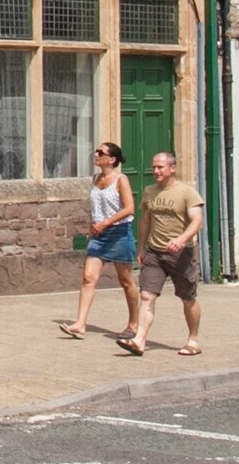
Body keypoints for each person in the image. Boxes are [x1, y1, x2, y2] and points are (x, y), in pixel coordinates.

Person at [118, 150, 203, 356]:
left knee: (187, 297)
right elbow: (146, 220)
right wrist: (142, 247)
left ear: (172, 168)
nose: (155, 171)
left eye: (160, 167)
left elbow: (197, 221)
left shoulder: (186, 192)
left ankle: (193, 340)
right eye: (154, 167)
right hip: (154, 253)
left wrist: (181, 240)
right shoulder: (149, 191)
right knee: (146, 294)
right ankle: (139, 340)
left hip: (181, 254)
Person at [59, 140, 138, 341]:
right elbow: (94, 210)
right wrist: (92, 230)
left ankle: (134, 323)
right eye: (96, 151)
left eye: (100, 152)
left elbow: (129, 209)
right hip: (98, 235)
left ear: (111, 159)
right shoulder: (95, 178)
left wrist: (107, 222)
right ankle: (80, 324)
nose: (96, 154)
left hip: (119, 233)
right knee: (88, 277)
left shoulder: (121, 180)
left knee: (126, 280)